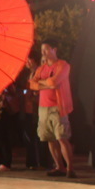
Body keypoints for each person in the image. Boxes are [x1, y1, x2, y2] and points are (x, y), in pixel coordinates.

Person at [30, 40, 76, 178]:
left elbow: (54, 82)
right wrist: (46, 85)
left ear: (54, 49)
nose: (43, 52)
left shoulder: (63, 65)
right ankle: (59, 167)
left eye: (46, 49)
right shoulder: (41, 68)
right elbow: (32, 84)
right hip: (43, 107)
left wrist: (42, 83)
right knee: (50, 138)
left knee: (61, 137)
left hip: (58, 106)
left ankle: (70, 168)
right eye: (42, 49)